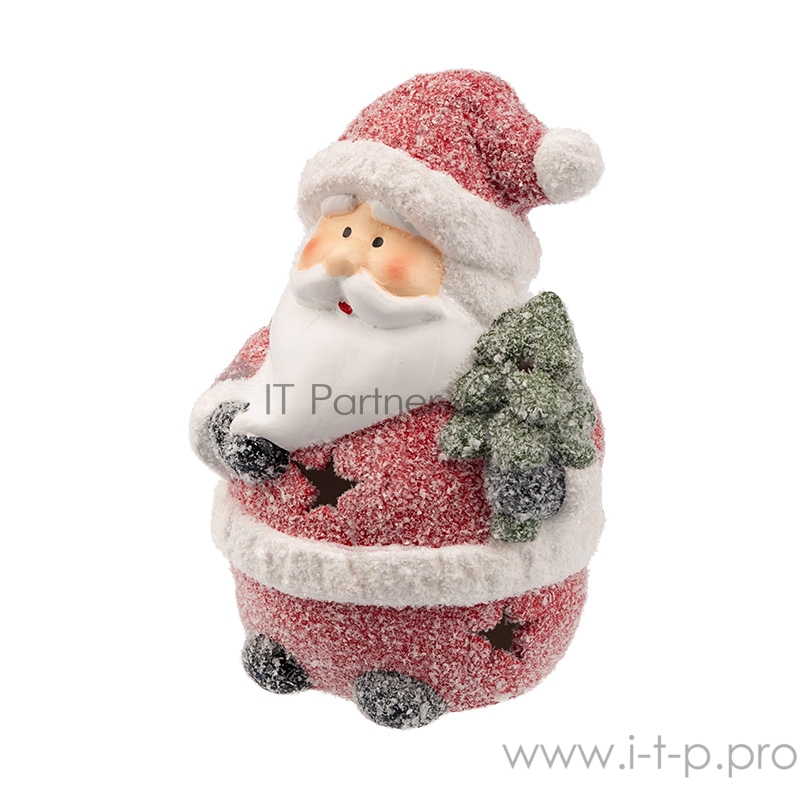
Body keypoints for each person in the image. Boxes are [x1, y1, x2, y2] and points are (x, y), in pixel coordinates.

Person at [190, 69, 605, 728]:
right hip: (278, 584)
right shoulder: (284, 345)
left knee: (439, 649)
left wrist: (538, 477)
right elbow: (234, 386)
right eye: (340, 233)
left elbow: (570, 436)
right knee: (281, 641)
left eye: (378, 244)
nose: (342, 263)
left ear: (458, 271)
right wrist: (224, 428)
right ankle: (291, 645)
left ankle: (420, 672)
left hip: (462, 616)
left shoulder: (505, 372)